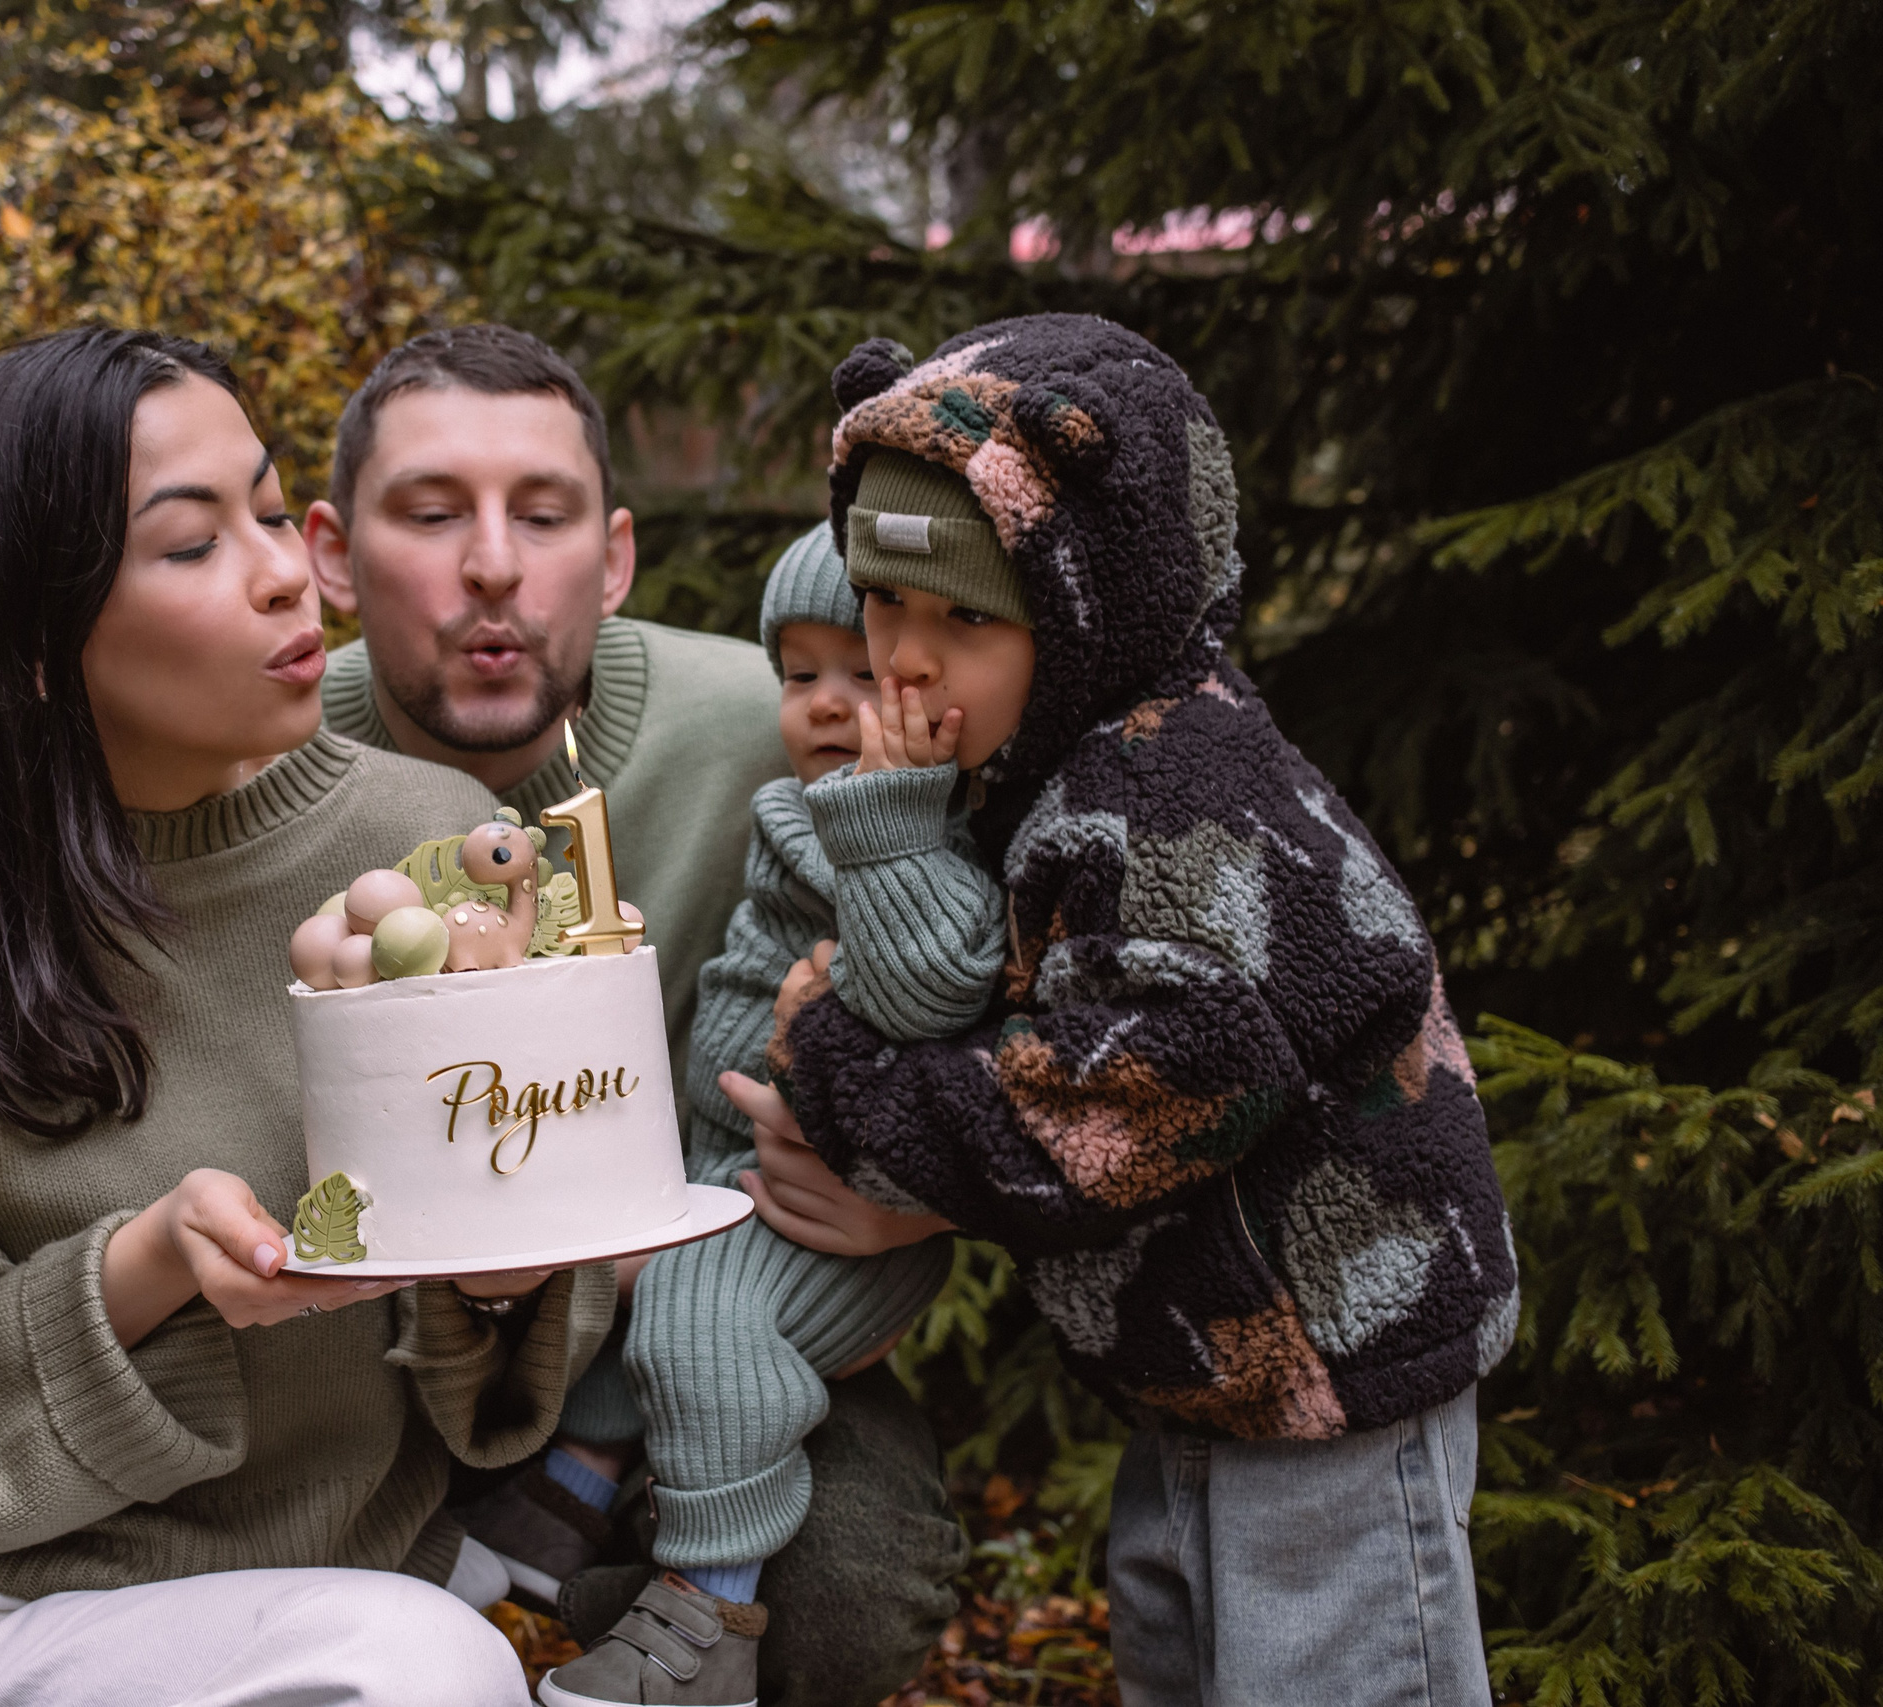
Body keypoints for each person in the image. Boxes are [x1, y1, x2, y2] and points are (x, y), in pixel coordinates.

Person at [0, 325, 615, 1707]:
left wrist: (493, 1255)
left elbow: (555, 1254)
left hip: (366, 1599)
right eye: (193, 544)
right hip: (5, 1623)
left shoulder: (444, 846)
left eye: (267, 510)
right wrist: (149, 1266)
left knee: (421, 1656)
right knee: (425, 1668)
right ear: (33, 639)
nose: (280, 573)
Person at [755, 315, 1520, 1705]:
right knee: (1185, 1656)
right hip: (1212, 1364)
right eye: (883, 604)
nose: (906, 663)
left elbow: (1111, 1109)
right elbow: (980, 979)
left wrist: (838, 1065)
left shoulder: (1175, 804)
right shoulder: (1056, 767)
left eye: (967, 617)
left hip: (1332, 1361)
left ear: (1091, 598)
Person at [305, 325, 967, 1707]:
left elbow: (990, 940)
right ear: (329, 548)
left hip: (732, 1310)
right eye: (432, 512)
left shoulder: (777, 719)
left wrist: (934, 1194)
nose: (492, 563)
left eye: (539, 516)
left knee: (841, 1585)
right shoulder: (263, 760)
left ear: (611, 555)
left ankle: (621, 1612)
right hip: (367, 1363)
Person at [538, 522, 1011, 1704]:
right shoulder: (793, 806)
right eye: (799, 676)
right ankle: (567, 1497)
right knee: (641, 1279)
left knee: (696, 1312)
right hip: (730, 1158)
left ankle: (707, 1612)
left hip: (835, 1209)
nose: (827, 705)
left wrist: (889, 823)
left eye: (865, 673)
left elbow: (936, 987)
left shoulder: (938, 837)